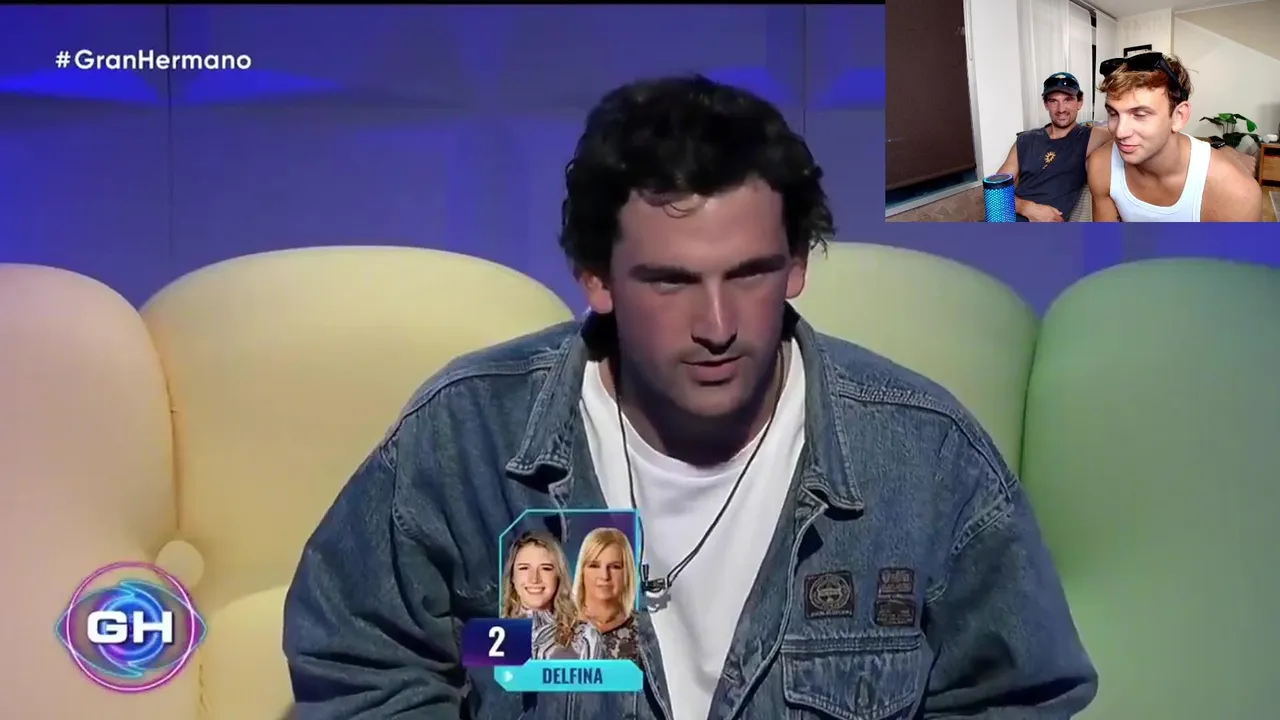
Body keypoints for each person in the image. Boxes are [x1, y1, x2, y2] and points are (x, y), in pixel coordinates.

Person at [282, 75, 1097, 719]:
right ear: (596, 278)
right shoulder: (466, 436)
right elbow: (360, 660)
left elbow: (1018, 695)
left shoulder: (926, 457)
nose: (717, 326)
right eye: (671, 281)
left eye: (750, 275)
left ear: (797, 266)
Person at [1087, 52, 1262, 222]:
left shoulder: (1236, 192)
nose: (1120, 132)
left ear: (1179, 116)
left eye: (1140, 115)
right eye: (1113, 113)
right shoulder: (1102, 166)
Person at [995, 72, 1112, 222]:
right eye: (1053, 101)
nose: (1061, 109)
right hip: (1004, 219)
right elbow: (995, 192)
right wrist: (1028, 208)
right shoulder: (1025, 140)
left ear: (1080, 102)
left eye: (1068, 100)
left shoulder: (1091, 136)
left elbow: (1125, 130)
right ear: (1046, 104)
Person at [500, 531, 604, 661]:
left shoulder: (584, 636)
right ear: (512, 577)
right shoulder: (494, 634)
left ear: (559, 576)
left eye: (546, 568)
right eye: (524, 568)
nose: (534, 579)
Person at [572, 527, 640, 662]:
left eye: (615, 567)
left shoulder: (643, 629)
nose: (604, 576)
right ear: (582, 571)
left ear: (627, 573)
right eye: (594, 565)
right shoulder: (558, 626)